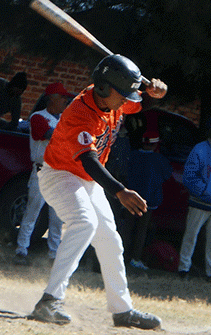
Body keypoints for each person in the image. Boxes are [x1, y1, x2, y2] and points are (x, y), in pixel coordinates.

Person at [30, 54, 166, 330]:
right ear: (104, 89)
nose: (128, 99)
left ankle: (122, 311)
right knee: (84, 223)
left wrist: (152, 93)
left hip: (85, 181)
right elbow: (88, 161)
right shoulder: (80, 113)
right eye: (124, 93)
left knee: (110, 242)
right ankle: (49, 300)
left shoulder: (113, 99)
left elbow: (139, 105)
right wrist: (119, 191)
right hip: (60, 175)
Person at [15, 82, 74, 265]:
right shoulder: (38, 117)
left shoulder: (65, 118)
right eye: (62, 97)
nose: (65, 100)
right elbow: (52, 135)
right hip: (43, 170)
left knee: (57, 217)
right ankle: (21, 249)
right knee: (32, 212)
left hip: (60, 172)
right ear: (51, 99)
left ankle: (54, 254)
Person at [177, 114, 211, 281]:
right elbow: (189, 176)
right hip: (200, 202)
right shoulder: (200, 149)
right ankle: (183, 269)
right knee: (191, 235)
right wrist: (206, 193)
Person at [123, 130, 172, 270]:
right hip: (149, 201)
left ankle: (122, 255)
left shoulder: (133, 155)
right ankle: (135, 258)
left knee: (127, 228)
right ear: (155, 145)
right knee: (141, 231)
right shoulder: (159, 159)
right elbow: (167, 174)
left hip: (130, 199)